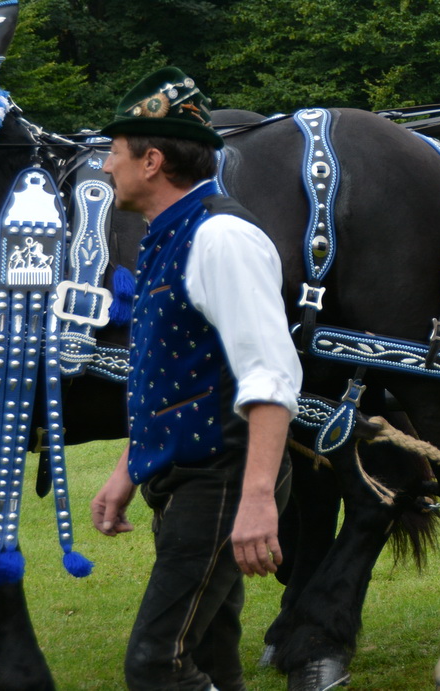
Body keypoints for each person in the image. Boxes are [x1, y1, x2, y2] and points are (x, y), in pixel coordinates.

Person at [89, 68, 301, 691]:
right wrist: (131, 466)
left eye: (114, 153)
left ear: (152, 160)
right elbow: (171, 372)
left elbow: (270, 376)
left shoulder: (221, 238)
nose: (104, 167)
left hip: (223, 478)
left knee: (156, 663)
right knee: (209, 655)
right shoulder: (167, 234)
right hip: (189, 478)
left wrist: (257, 497)